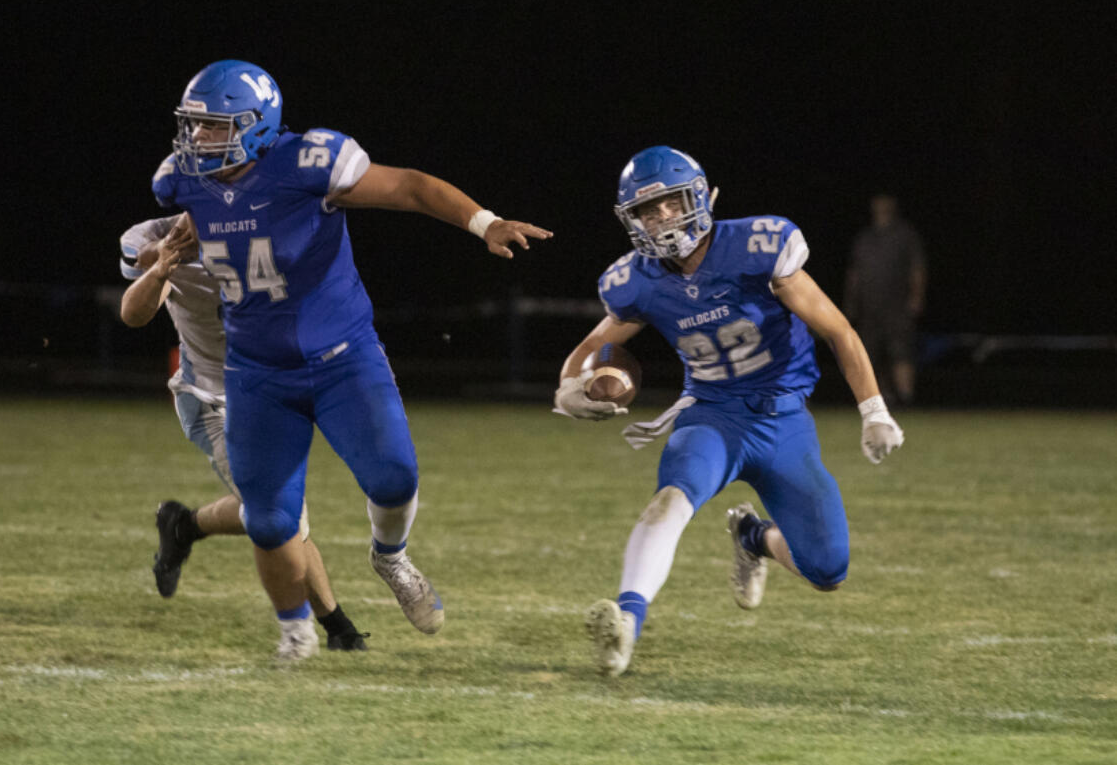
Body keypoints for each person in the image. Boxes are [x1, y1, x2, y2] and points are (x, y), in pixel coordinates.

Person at [150, 59, 552, 656]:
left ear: (258, 126)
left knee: (395, 479)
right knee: (268, 521)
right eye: (195, 126)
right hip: (258, 371)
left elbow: (411, 186)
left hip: (343, 357)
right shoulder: (180, 180)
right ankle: (295, 633)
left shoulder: (309, 162)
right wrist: (190, 226)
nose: (198, 139)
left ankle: (390, 557)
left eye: (214, 127)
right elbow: (223, 209)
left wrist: (484, 223)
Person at [554, 146, 904, 677]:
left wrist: (874, 409)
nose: (663, 218)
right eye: (649, 211)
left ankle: (753, 538)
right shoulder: (638, 280)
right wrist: (569, 388)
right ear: (633, 220)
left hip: (783, 420)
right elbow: (591, 347)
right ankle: (626, 624)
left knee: (828, 570)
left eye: (671, 203)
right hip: (712, 415)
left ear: (698, 196)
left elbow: (837, 330)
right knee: (669, 501)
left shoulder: (758, 246)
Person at [119, 213, 368, 658]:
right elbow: (133, 314)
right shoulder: (152, 238)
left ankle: (184, 525)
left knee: (269, 509)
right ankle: (336, 627)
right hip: (211, 397)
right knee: (283, 513)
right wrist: (160, 267)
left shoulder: (265, 226)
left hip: (270, 392)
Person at [844, 194, 926, 404]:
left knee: (900, 351)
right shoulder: (865, 237)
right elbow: (854, 273)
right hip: (869, 306)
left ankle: (906, 397)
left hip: (897, 305)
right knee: (870, 353)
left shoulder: (905, 234)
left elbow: (917, 269)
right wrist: (851, 302)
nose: (881, 208)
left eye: (886, 205)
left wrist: (916, 297)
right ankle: (878, 398)